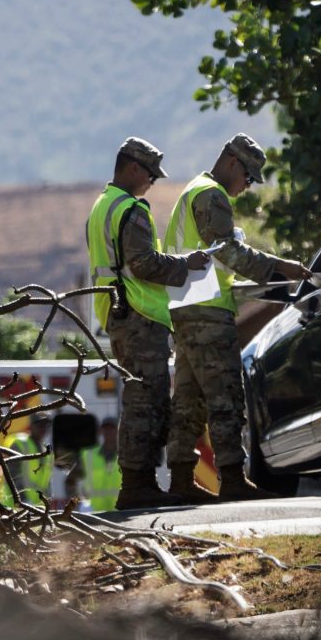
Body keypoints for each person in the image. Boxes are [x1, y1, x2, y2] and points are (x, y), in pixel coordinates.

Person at [162, 133, 312, 501]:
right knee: (225, 395)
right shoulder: (211, 195)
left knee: (189, 399)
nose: (247, 187)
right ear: (232, 163)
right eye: (248, 177)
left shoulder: (194, 191)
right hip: (207, 312)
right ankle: (231, 478)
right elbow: (227, 251)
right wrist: (280, 269)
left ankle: (181, 480)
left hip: (187, 307)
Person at [86, 137, 210, 509]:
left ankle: (140, 482)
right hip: (139, 313)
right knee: (147, 400)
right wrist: (187, 265)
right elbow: (144, 264)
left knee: (142, 397)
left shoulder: (101, 206)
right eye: (151, 175)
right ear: (133, 168)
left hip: (117, 313)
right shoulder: (131, 209)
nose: (153, 182)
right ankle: (137, 484)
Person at [0, 411, 53, 506]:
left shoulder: (47, 452)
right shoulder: (20, 444)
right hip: (13, 505)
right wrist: (23, 500)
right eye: (40, 425)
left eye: (46, 426)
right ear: (31, 426)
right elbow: (12, 476)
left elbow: (46, 484)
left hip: (35, 508)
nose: (44, 429)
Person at [81, 416, 122, 512]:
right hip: (96, 512)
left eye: (112, 428)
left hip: (121, 512)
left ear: (119, 430)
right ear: (101, 431)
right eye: (105, 428)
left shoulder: (127, 455)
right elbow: (70, 481)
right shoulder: (89, 455)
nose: (108, 431)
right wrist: (78, 502)